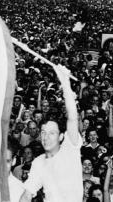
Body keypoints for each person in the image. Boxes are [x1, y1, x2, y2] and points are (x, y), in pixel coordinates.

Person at [20, 65, 83, 202]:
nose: (45, 137)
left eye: (52, 133)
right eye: (43, 132)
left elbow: (72, 117)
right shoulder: (38, 162)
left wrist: (65, 82)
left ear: (61, 136)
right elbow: (27, 195)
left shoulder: (69, 149)